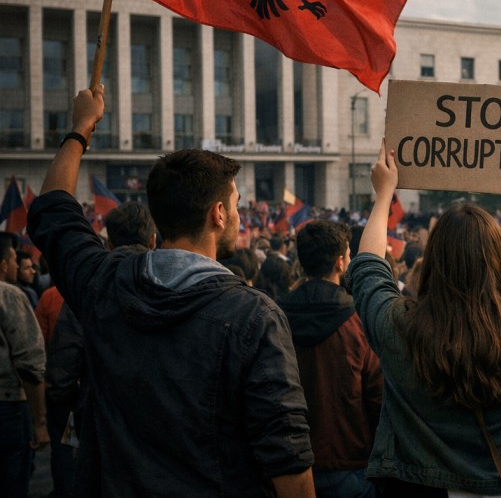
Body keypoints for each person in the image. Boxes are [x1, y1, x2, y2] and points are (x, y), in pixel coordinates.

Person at [27, 84, 314, 497]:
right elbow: (289, 465)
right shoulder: (256, 318)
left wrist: (80, 129)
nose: (238, 213)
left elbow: (53, 209)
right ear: (218, 214)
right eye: (235, 203)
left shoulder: (104, 283)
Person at [347, 142, 501, 495]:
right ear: (499, 262)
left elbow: (368, 271)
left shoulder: (397, 329)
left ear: (433, 262)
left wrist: (383, 195)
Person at [279, 220, 383, 498]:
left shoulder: (273, 318)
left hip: (287, 464)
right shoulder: (359, 322)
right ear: (340, 262)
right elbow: (377, 397)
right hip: (350, 463)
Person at [0, 231, 48, 498]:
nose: (17, 264)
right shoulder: (10, 296)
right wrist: (40, 422)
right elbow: (30, 363)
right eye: (13, 258)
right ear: (4, 265)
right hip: (8, 406)